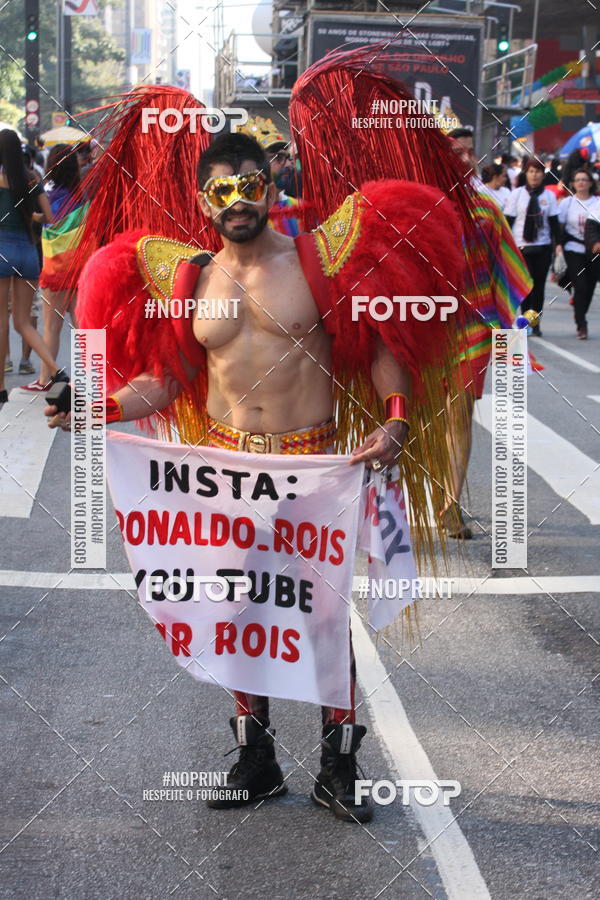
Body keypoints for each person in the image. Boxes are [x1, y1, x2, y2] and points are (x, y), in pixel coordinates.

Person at [48, 129, 469, 823]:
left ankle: (341, 766)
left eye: (250, 185)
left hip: (311, 465)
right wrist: (99, 408)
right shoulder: (194, 281)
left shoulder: (317, 262)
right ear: (204, 200)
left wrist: (395, 419)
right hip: (224, 470)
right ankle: (258, 759)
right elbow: (170, 379)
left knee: (325, 618)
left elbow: (379, 348)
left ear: (268, 188)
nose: (239, 200)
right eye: (223, 190)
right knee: (235, 611)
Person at [0, 129, 67, 405]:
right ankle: (55, 370)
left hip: (2, 251)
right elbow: (49, 217)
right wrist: (29, 214)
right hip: (28, 254)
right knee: (23, 322)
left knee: (2, 321)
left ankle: (1, 387)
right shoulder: (31, 179)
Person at [21, 143, 82, 391]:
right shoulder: (84, 198)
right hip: (80, 272)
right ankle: (94, 383)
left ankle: (46, 380)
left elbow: (43, 219)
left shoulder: (48, 196)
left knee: (51, 329)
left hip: (55, 272)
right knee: (85, 331)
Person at [504, 158, 560, 335]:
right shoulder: (517, 194)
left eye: (538, 172)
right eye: (531, 171)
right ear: (525, 174)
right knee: (524, 287)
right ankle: (524, 322)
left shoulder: (548, 196)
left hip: (542, 247)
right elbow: (508, 221)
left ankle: (535, 323)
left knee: (538, 287)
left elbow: (554, 223)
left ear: (543, 175)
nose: (534, 175)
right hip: (521, 247)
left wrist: (558, 246)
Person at [556, 169, 600, 339]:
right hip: (573, 248)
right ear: (573, 184)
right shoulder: (567, 203)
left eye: (584, 179)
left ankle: (580, 312)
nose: (581, 182)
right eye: (577, 180)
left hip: (593, 251)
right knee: (580, 286)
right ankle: (582, 324)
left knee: (589, 287)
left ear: (590, 183)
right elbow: (558, 227)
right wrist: (558, 245)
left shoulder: (597, 202)